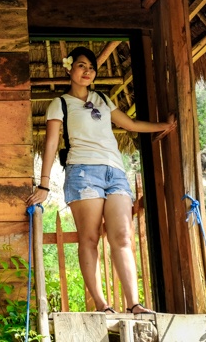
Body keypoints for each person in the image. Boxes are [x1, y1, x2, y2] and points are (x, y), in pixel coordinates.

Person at [26, 46, 175, 315]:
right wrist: (45, 185)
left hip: (115, 171)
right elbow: (50, 143)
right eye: (82, 66)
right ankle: (102, 304)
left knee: (122, 236)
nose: (87, 71)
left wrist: (163, 126)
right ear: (69, 68)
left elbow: (129, 125)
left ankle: (135, 304)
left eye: (91, 68)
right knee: (90, 237)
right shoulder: (59, 104)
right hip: (83, 172)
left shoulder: (103, 99)